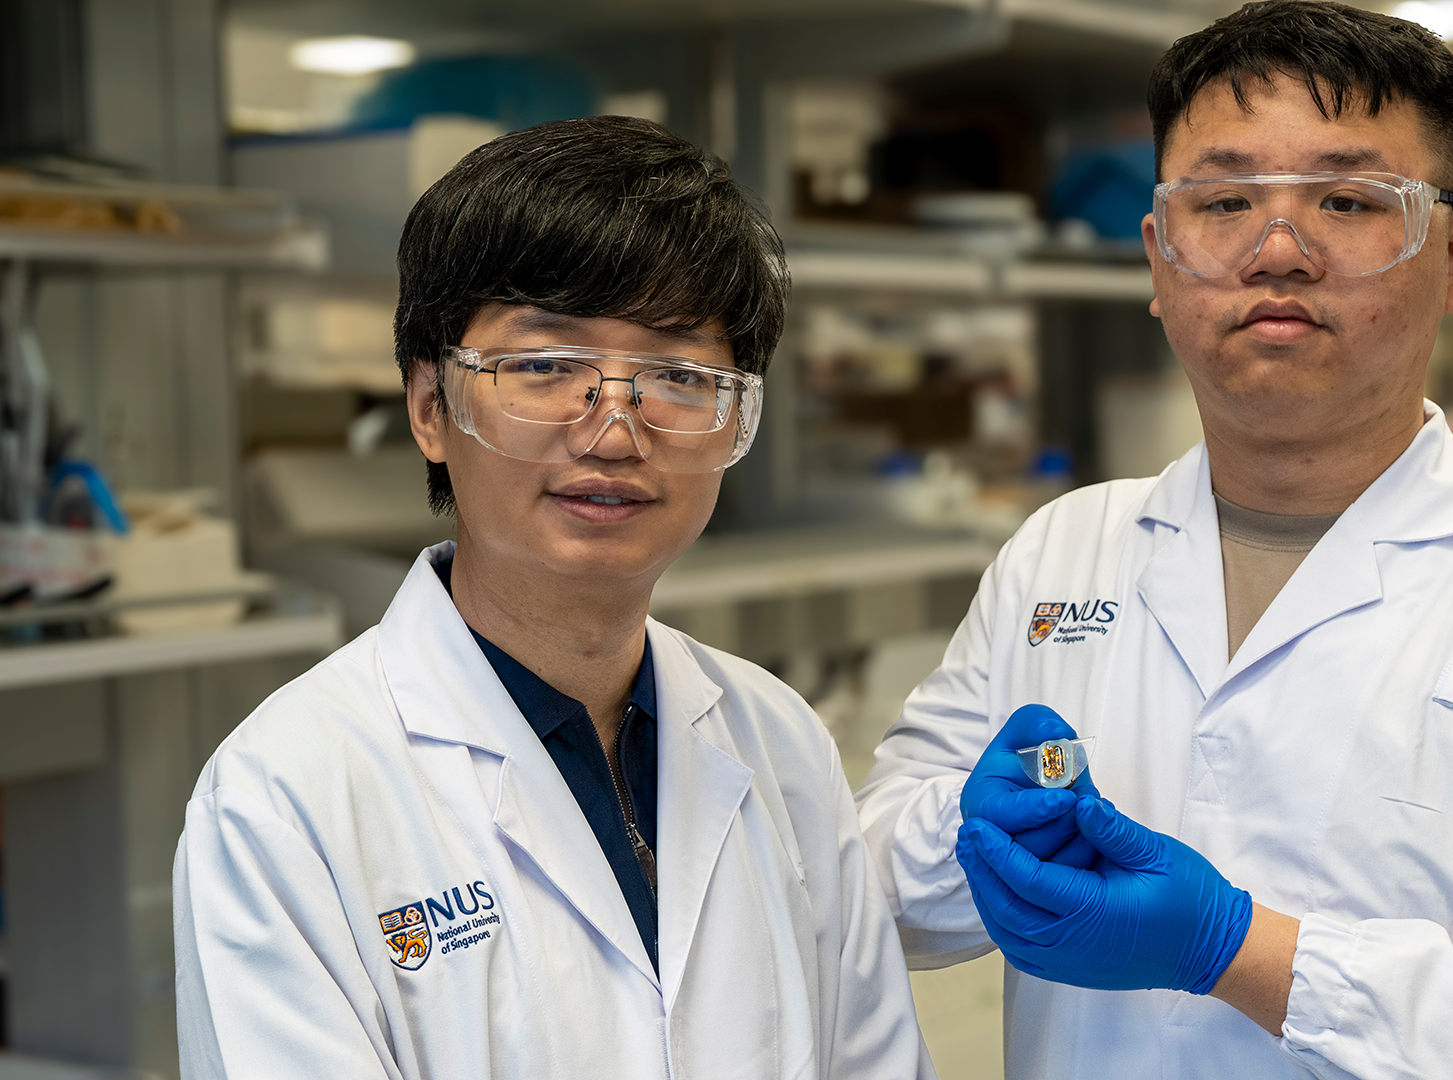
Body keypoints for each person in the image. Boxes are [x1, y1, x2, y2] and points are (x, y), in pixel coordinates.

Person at [855, 3, 1453, 1078]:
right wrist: (970, 829)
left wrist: (1242, 952)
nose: (1278, 250)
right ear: (1157, 255)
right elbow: (866, 904)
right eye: (1224, 200)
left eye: (1347, 199)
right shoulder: (1060, 556)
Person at [175, 116, 933, 1079]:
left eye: (675, 375)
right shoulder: (285, 798)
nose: (613, 432)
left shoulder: (779, 742)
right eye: (543, 367)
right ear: (427, 407)